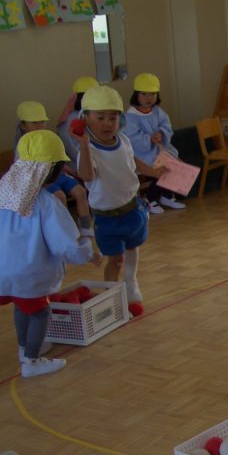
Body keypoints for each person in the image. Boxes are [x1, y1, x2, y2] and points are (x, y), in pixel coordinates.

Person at [0, 130, 100, 378]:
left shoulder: (2, 192)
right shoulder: (45, 203)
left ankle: (25, 349)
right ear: (52, 170)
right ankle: (32, 362)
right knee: (40, 311)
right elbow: (65, 244)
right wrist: (87, 254)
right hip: (24, 271)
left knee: (22, 307)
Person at [75, 85, 166, 317]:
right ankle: (112, 297)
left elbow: (132, 162)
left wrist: (154, 172)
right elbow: (86, 175)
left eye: (113, 117)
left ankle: (131, 283)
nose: (107, 123)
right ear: (85, 119)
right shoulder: (89, 151)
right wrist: (84, 144)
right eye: (100, 118)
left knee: (133, 248)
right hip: (107, 217)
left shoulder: (123, 140)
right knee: (114, 259)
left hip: (132, 209)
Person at [14, 100, 94, 236]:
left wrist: (69, 170)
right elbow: (22, 170)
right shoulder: (23, 144)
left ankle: (86, 227)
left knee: (80, 191)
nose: (39, 125)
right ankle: (63, 230)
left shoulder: (50, 138)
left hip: (58, 175)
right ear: (23, 125)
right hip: (40, 181)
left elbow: (60, 159)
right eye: (34, 123)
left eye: (42, 121)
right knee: (59, 197)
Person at [124, 72, 186, 213]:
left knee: (176, 164)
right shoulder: (130, 116)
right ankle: (149, 198)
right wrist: (148, 139)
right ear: (136, 95)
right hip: (142, 153)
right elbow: (131, 138)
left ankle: (166, 195)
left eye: (152, 94)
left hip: (160, 148)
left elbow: (166, 126)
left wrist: (161, 133)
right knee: (162, 168)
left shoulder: (158, 111)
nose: (148, 98)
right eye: (144, 94)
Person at [56, 75, 100, 163]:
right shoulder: (75, 118)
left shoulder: (92, 113)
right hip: (82, 165)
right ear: (79, 98)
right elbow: (71, 147)